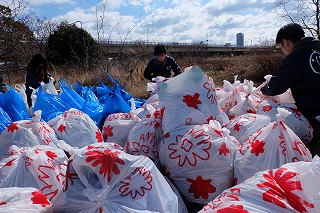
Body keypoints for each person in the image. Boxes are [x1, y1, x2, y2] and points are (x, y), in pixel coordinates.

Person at [261, 23, 320, 156]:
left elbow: (276, 87)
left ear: (285, 42)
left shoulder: (297, 56)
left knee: (274, 113)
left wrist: (264, 89)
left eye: (280, 46)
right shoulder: (316, 50)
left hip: (314, 113)